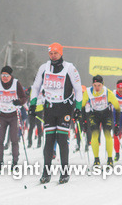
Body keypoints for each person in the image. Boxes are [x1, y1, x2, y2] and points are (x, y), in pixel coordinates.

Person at [29, 42, 83, 184]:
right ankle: (46, 173)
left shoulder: (69, 68)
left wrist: (78, 108)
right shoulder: (44, 68)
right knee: (49, 140)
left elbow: (78, 89)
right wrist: (32, 104)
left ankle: (64, 173)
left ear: (61, 53)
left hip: (65, 107)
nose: (53, 56)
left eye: (56, 53)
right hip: (49, 107)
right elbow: (35, 87)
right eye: (51, 53)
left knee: (62, 140)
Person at [0, 65, 28, 169]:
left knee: (14, 139)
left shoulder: (16, 83)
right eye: (3, 75)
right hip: (2, 115)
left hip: (14, 115)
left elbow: (24, 97)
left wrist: (19, 102)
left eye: (6, 75)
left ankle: (15, 161)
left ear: (11, 76)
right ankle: (0, 161)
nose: (4, 77)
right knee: (0, 139)